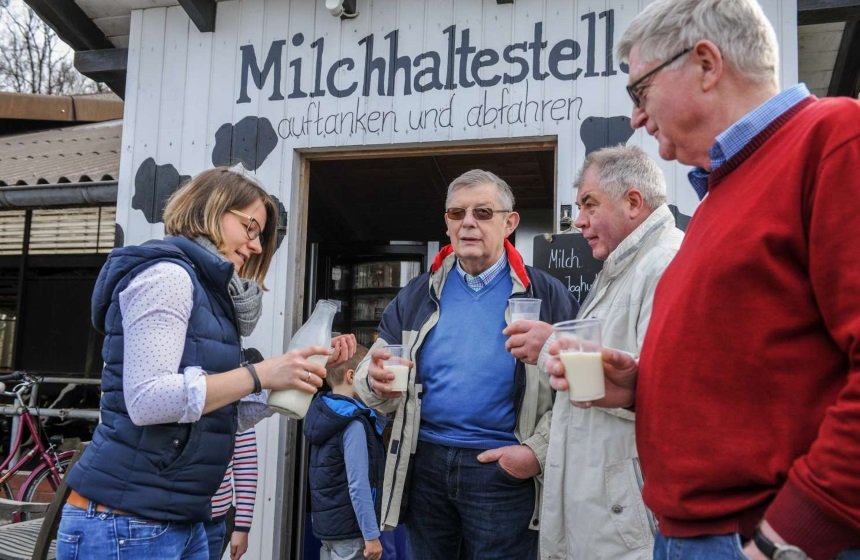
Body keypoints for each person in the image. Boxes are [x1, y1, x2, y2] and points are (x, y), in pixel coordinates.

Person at [545, 1, 860, 559]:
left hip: (761, 538)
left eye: (638, 92)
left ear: (707, 64)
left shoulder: (834, 140)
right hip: (691, 535)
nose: (637, 119)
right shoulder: (720, 195)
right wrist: (641, 389)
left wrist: (786, 539)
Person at [57, 167, 356, 558]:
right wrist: (259, 374)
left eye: (261, 236)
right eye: (251, 228)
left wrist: (286, 378)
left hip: (179, 518)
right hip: (126, 521)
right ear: (211, 210)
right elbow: (148, 400)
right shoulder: (168, 276)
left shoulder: (209, 295)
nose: (256, 246)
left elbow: (214, 413)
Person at [354, 169, 578, 559]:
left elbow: (577, 390)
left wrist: (534, 454)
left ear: (510, 223)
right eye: (457, 214)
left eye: (483, 213)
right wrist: (373, 381)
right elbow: (376, 369)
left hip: (503, 469)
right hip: (425, 465)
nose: (468, 222)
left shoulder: (546, 293)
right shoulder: (416, 295)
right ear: (447, 223)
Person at [529, 145, 682, 560]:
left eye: (589, 204)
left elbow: (667, 396)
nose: (578, 221)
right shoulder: (621, 268)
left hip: (625, 523)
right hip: (606, 516)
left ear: (633, 201)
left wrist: (549, 349)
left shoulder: (664, 264)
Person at [305, 344, 385, 560]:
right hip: (352, 530)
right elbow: (358, 484)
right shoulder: (353, 423)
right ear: (352, 376)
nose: (372, 384)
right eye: (368, 377)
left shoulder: (322, 415)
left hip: (328, 529)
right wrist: (371, 534)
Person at [205, 427, 258, 560]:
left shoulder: (233, 406)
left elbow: (245, 459)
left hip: (214, 521)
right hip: (162, 518)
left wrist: (242, 525)